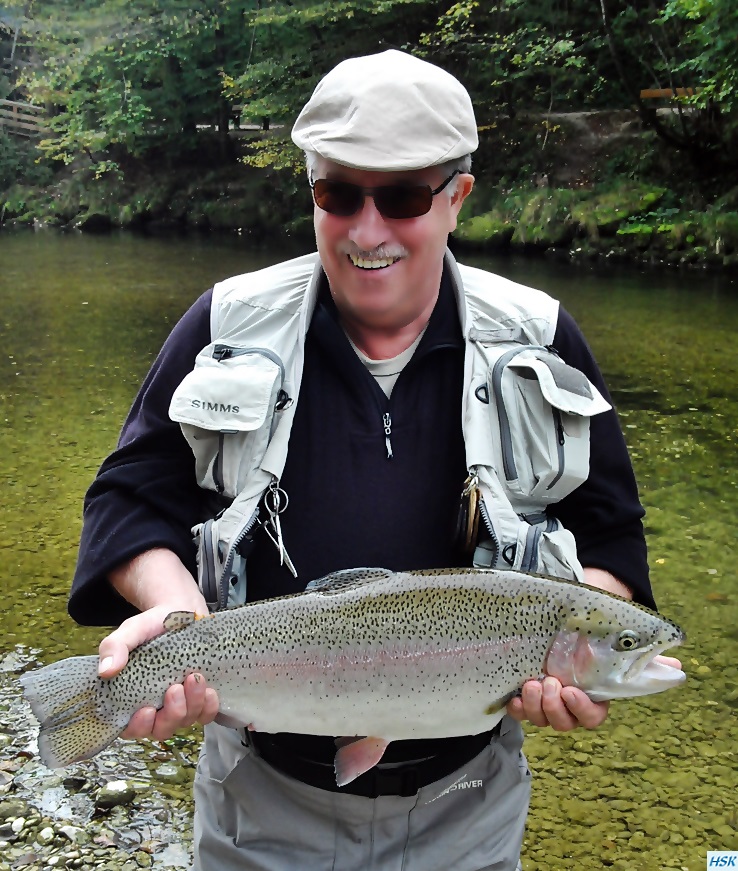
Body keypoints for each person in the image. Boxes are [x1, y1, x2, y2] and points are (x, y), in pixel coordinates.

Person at [69, 50, 660, 871]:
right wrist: (178, 621)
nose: (367, 229)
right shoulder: (228, 325)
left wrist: (575, 646)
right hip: (258, 804)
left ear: (458, 198)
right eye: (339, 194)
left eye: (405, 196)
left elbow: (613, 537)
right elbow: (126, 501)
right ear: (310, 194)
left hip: (469, 810)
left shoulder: (540, 337)